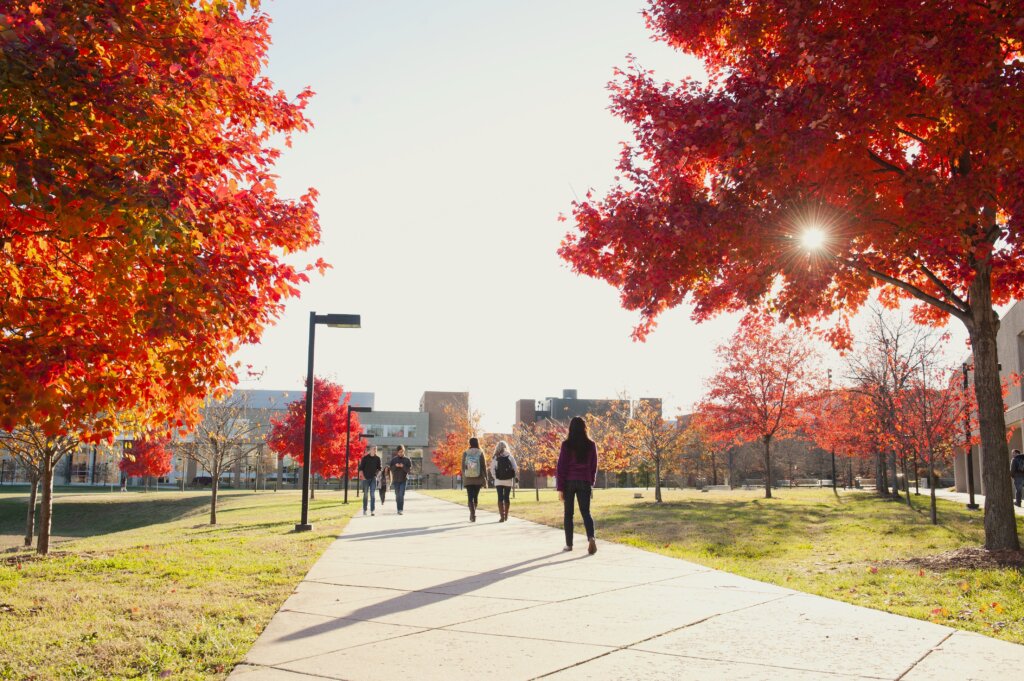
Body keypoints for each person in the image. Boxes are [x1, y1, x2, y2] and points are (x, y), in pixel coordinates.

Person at [556, 416, 598, 554]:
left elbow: (561, 467)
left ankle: (569, 545)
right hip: (584, 481)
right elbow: (594, 466)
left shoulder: (566, 445)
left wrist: (560, 487)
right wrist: (591, 482)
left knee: (568, 514)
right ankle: (591, 538)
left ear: (571, 429)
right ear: (585, 428)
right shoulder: (591, 445)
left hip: (569, 482)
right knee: (586, 512)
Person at [489, 440, 518, 522]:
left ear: (497, 447)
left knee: (500, 497)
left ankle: (502, 516)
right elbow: (515, 469)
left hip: (498, 481)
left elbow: (492, 470)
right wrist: (512, 475)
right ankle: (506, 515)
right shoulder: (510, 456)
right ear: (506, 447)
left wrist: (495, 477)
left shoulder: (495, 457)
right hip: (508, 480)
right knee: (507, 498)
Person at [461, 437, 488, 522]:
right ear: (477, 443)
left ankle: (472, 514)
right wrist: (486, 477)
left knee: (470, 496)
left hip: (468, 478)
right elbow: (484, 466)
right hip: (478, 478)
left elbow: (462, 466)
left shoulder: (465, 453)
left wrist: (464, 475)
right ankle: (473, 513)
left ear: (470, 443)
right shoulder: (480, 452)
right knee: (475, 496)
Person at [358, 446, 382, 516]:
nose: (375, 450)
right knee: (365, 494)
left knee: (372, 494)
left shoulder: (377, 458)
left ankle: (372, 510)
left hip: (373, 479)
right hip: (365, 479)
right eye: (374, 449)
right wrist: (362, 476)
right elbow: (361, 468)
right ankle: (365, 510)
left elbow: (379, 468)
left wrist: (378, 474)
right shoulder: (365, 458)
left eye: (376, 449)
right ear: (370, 450)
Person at [389, 445, 412, 515]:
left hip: (403, 480)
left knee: (401, 495)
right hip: (395, 480)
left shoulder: (407, 460)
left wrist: (403, 466)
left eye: (402, 452)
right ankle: (398, 508)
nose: (401, 453)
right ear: (397, 452)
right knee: (397, 495)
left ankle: (400, 510)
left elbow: (409, 471)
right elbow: (390, 469)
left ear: (404, 451)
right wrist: (395, 466)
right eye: (399, 452)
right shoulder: (394, 460)